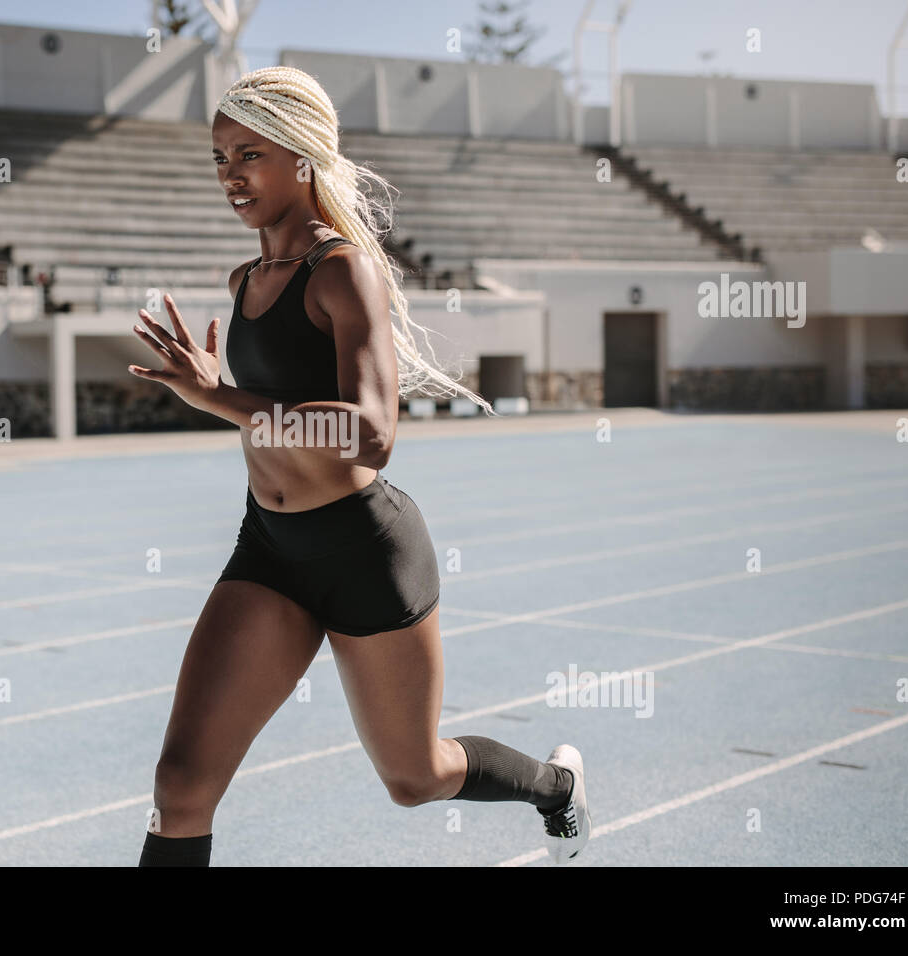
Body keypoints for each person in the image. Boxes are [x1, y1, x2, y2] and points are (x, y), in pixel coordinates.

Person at [126, 66, 590, 866]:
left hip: (363, 553)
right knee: (181, 786)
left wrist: (222, 398)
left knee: (414, 777)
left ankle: (556, 787)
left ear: (301, 157)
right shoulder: (245, 280)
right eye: (219, 158)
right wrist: (223, 394)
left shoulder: (341, 269)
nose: (231, 175)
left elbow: (372, 433)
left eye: (250, 154)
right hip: (269, 548)